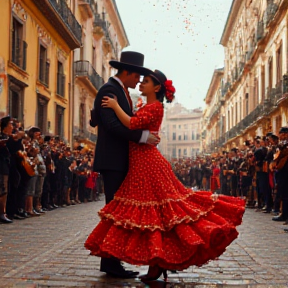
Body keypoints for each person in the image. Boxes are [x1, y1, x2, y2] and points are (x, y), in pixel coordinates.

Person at [85, 69, 245, 282]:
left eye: (147, 81)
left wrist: (114, 107)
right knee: (154, 214)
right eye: (140, 79)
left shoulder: (155, 106)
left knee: (159, 212)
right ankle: (157, 262)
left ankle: (158, 263)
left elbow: (131, 124)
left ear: (157, 87)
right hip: (141, 162)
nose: (141, 83)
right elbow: (128, 124)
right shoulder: (145, 105)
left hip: (147, 163)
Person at [89, 51, 160, 279]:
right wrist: (142, 137)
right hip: (113, 161)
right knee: (114, 212)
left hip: (119, 161)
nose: (138, 80)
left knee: (116, 212)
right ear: (127, 72)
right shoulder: (110, 90)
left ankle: (111, 262)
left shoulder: (121, 92)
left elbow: (102, 118)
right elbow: (112, 126)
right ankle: (111, 263)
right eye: (137, 75)